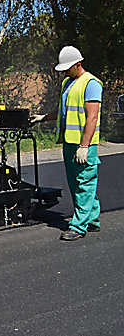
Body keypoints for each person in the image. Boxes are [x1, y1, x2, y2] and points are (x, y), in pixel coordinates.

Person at [31, 46, 103, 241]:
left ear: (77, 64)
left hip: (83, 144)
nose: (63, 72)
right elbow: (64, 111)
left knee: (84, 184)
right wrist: (44, 118)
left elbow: (92, 117)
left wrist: (85, 146)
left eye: (66, 68)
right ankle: (93, 219)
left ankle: (79, 227)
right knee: (77, 184)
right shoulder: (67, 83)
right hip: (69, 143)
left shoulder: (91, 83)